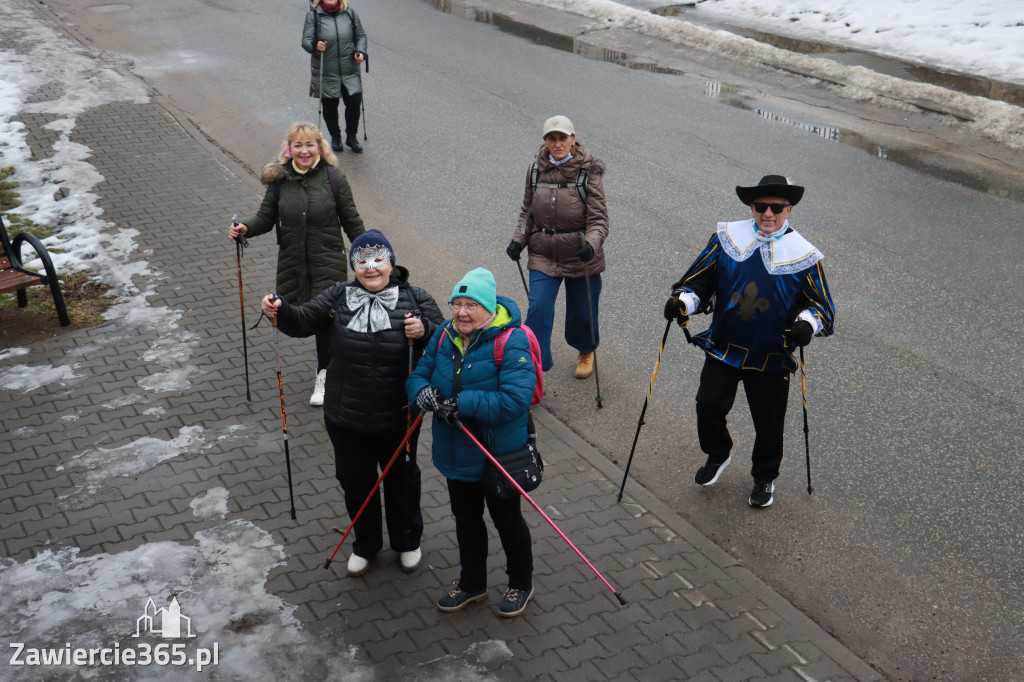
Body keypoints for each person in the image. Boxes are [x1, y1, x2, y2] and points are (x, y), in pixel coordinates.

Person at [260, 230, 444, 576]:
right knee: (356, 482)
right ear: (353, 266)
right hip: (346, 415)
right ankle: (365, 544)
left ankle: (407, 541)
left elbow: (446, 340)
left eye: (378, 260)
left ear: (391, 263)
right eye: (362, 261)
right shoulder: (338, 296)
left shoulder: (416, 298)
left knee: (402, 480)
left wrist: (426, 331)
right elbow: (301, 322)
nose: (370, 267)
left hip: (399, 415)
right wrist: (279, 309)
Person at [664, 175, 835, 508]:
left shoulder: (803, 255)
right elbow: (699, 284)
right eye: (761, 206)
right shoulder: (726, 239)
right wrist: (683, 302)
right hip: (724, 345)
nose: (767, 214)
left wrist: (806, 325)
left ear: (788, 211)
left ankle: (764, 478)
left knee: (769, 425)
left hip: (771, 354)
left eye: (776, 208)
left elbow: (822, 307)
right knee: (708, 404)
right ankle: (718, 453)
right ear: (751, 207)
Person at [406, 268, 537, 618]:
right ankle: (472, 583)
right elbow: (419, 373)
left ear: (489, 307)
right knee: (466, 519)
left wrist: (460, 404)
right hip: (456, 450)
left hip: (497, 453)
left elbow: (515, 401)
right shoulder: (445, 334)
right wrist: (423, 394)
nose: (462, 312)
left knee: (507, 520)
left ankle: (521, 583)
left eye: (471, 305)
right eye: (457, 304)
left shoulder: (512, 341)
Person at [229, 121, 365, 406]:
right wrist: (245, 228)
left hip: (328, 260)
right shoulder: (280, 182)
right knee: (301, 319)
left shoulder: (334, 179)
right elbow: (265, 217)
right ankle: (342, 363)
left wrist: (370, 256)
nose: (304, 151)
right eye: (298, 145)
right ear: (289, 149)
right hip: (294, 261)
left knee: (327, 318)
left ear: (320, 146)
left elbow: (352, 222)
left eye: (310, 144)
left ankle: (325, 376)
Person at [506, 115, 608, 380]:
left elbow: (599, 220)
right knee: (538, 308)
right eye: (552, 138)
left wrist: (592, 245)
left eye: (563, 138)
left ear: (573, 139)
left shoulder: (589, 172)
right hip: (543, 252)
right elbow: (527, 212)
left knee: (583, 311)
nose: (557, 143)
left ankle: (585, 349)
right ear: (546, 141)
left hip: (579, 253)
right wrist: (518, 239)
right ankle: (536, 366)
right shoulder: (536, 169)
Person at [303, 0, 367, 153]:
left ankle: (351, 137)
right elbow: (306, 41)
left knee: (354, 102)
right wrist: (315, 46)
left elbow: (361, 36)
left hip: (349, 69)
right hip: (327, 70)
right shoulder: (313, 16)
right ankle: (335, 137)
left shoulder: (350, 13)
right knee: (330, 105)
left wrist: (361, 52)